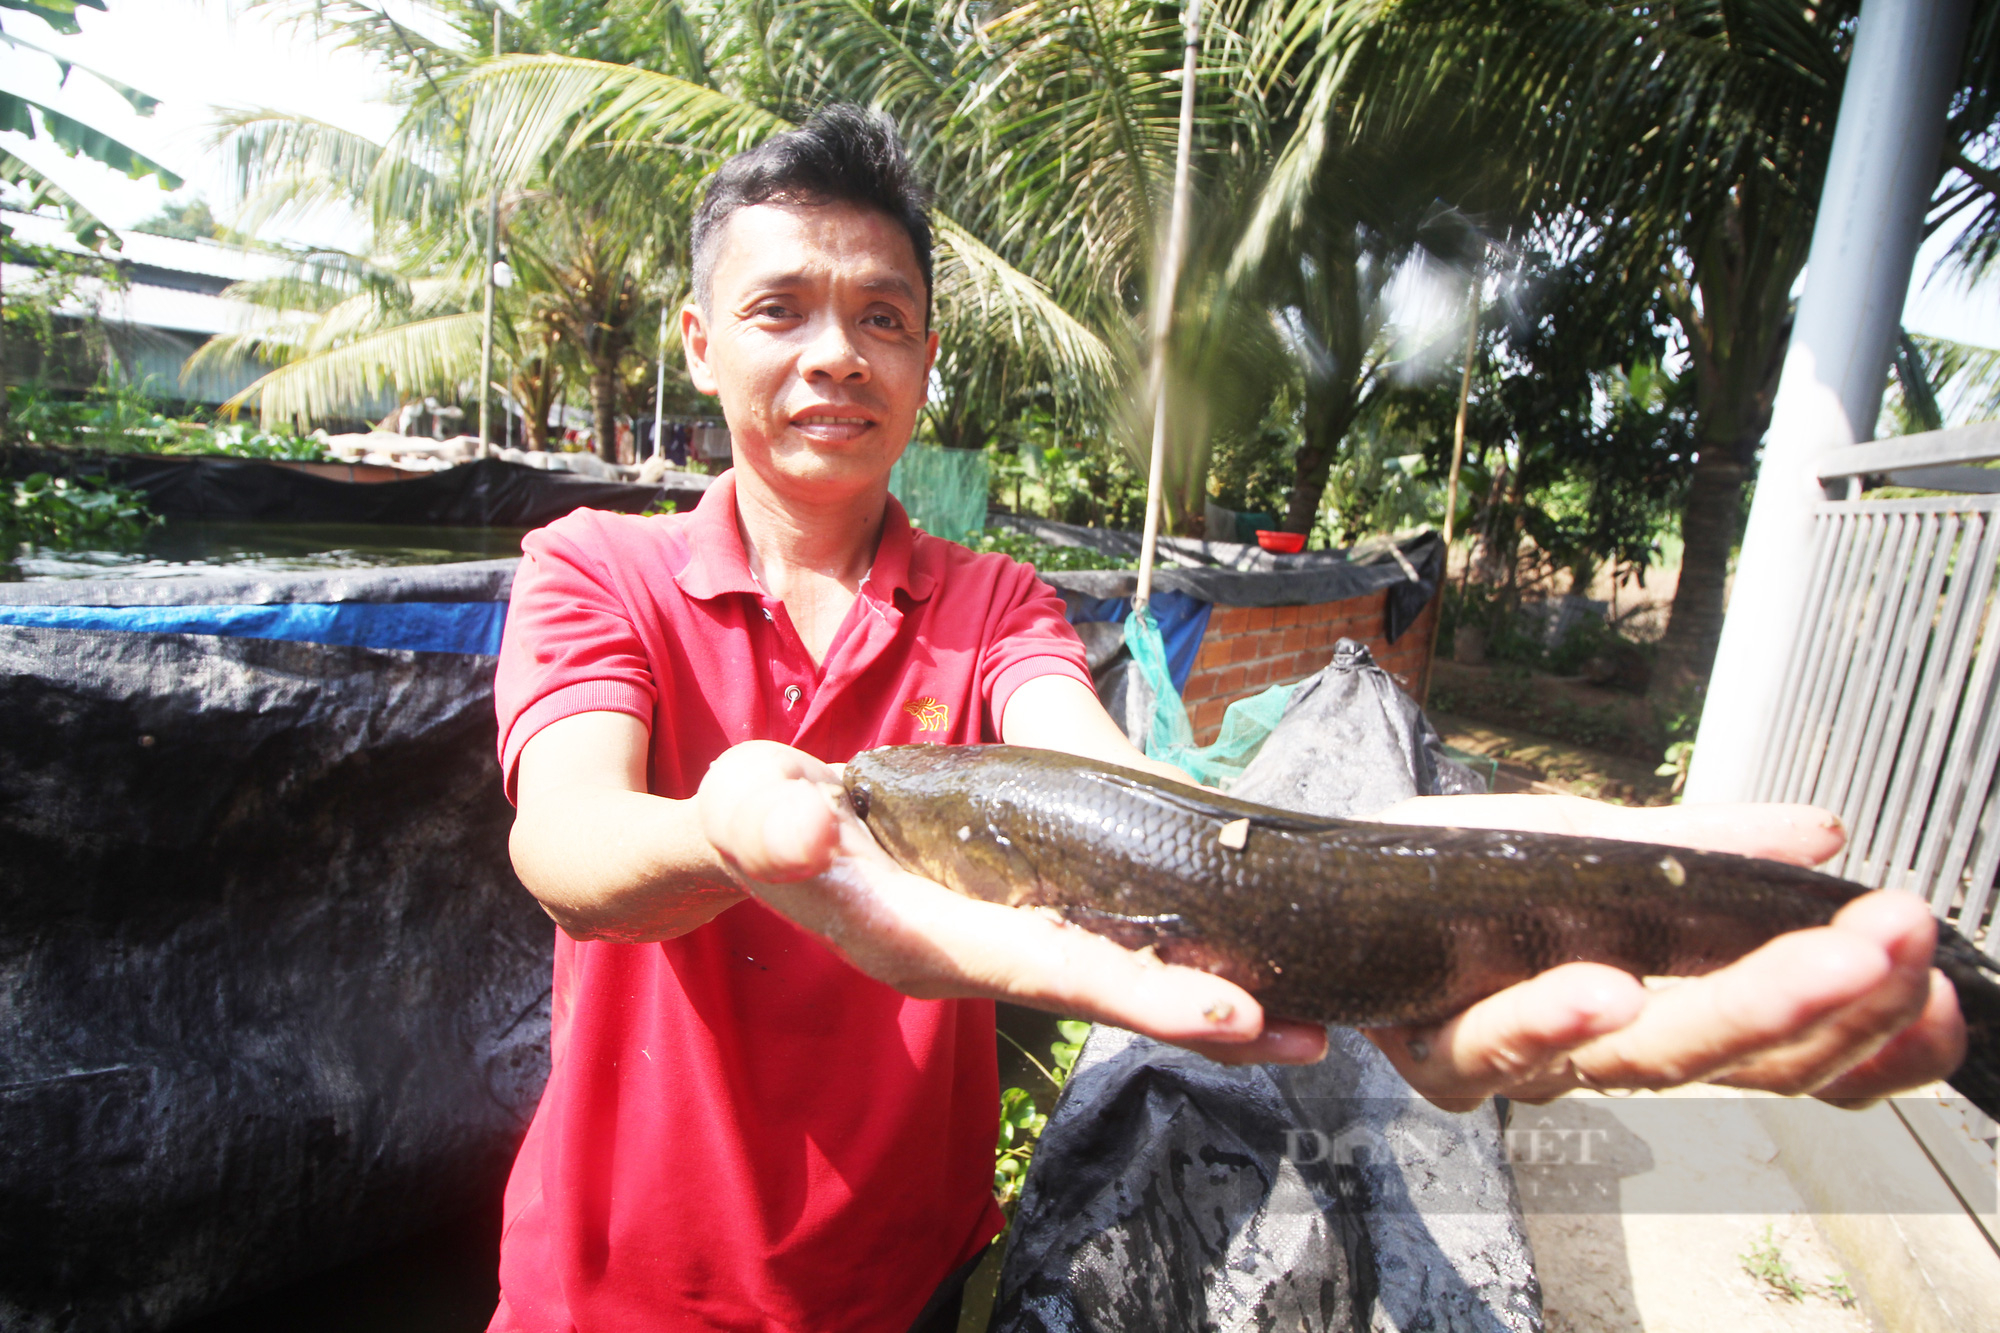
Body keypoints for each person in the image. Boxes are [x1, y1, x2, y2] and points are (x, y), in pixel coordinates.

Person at [491, 106, 1963, 1332]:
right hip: (611, 1287)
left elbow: (1109, 782)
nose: (835, 352)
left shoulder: (995, 603)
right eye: (779, 310)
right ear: (697, 342)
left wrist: (1374, 893)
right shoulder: (592, 568)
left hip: (908, 1276)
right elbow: (566, 838)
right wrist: (726, 830)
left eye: (884, 317)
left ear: (927, 358)